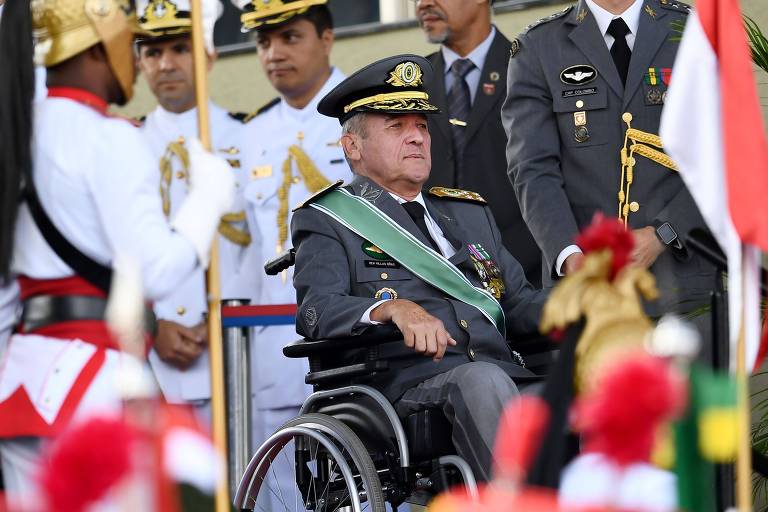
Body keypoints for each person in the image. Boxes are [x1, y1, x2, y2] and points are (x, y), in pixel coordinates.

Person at [0, 0, 234, 501]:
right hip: (93, 382)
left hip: (20, 381)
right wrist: (207, 199)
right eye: (131, 44)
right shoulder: (109, 138)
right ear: (101, 45)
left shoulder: (16, 131)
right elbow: (157, 271)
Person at [292, 54, 548, 482]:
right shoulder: (328, 218)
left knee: (597, 381)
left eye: (422, 126)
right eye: (397, 127)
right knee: (482, 382)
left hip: (505, 373)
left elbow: (519, 301)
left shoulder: (468, 214)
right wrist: (392, 308)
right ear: (352, 147)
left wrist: (587, 307)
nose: (416, 138)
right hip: (409, 390)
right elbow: (316, 309)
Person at [503, 0, 714, 320]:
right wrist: (570, 255)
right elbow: (532, 169)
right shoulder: (539, 47)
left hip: (686, 283)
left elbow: (722, 156)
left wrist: (664, 233)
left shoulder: (692, 31)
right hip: (591, 292)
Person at [231, 0, 351, 452]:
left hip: (351, 328)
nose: (274, 53)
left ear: (326, 37)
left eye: (290, 37)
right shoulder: (251, 134)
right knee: (281, 482)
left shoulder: (364, 112)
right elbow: (249, 248)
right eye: (264, 42)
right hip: (277, 336)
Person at [135, 0, 261, 420]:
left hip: (235, 344)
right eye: (152, 52)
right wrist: (152, 327)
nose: (166, 64)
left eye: (179, 48)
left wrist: (223, 318)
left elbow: (263, 246)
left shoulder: (249, 137)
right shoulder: (125, 145)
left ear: (208, 55)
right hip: (149, 353)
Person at [416, 0, 542, 287]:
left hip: (525, 275)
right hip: (438, 283)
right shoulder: (416, 82)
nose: (423, 4)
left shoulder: (531, 66)